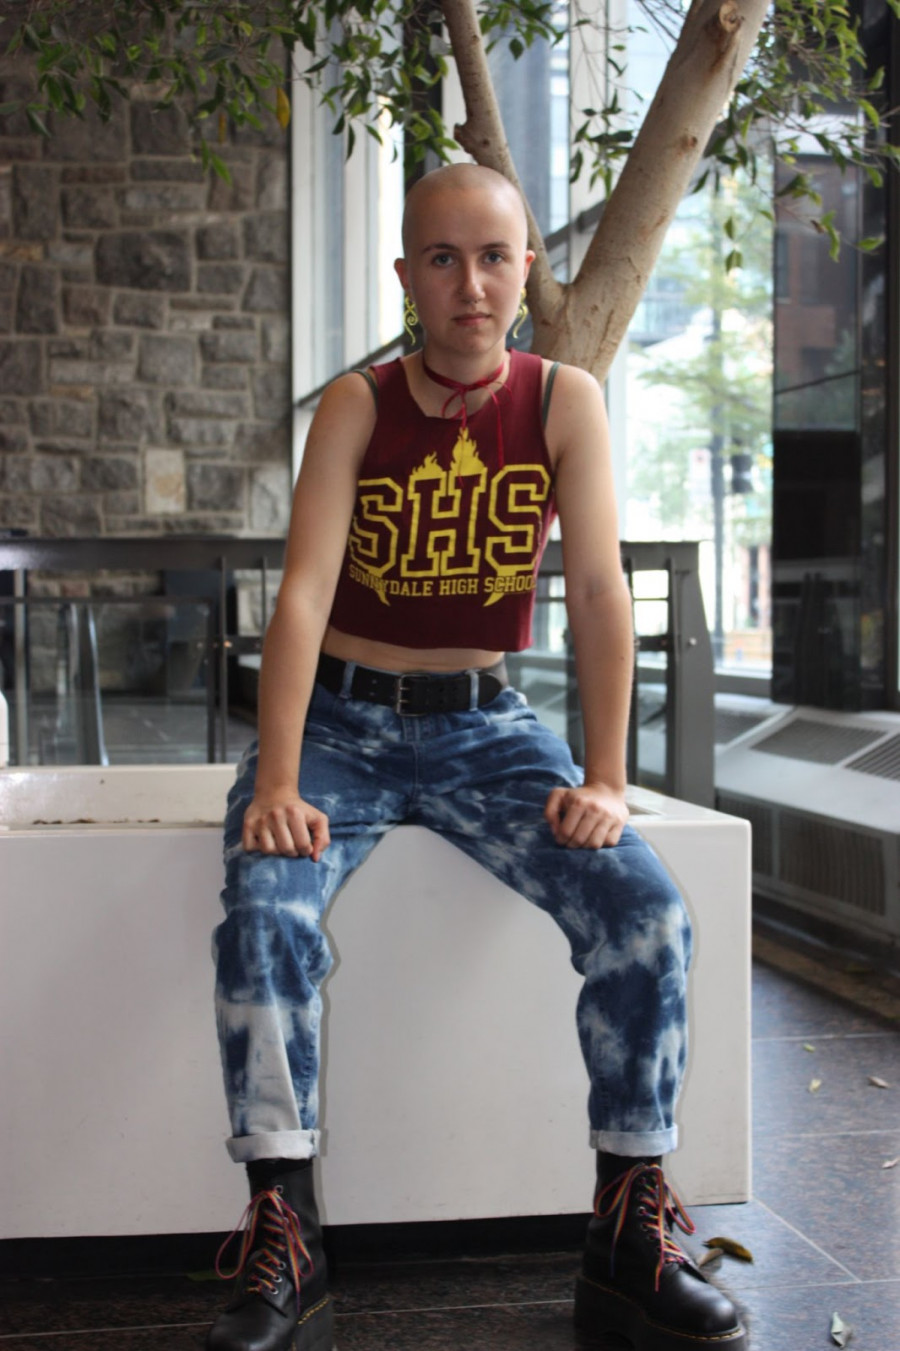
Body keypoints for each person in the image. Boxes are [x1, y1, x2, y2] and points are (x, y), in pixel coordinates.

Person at [206, 162, 747, 1351]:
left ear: (527, 268)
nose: (472, 283)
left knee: (647, 913)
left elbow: (597, 591)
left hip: (486, 729)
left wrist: (606, 777)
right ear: (407, 276)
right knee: (265, 909)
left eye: (495, 256)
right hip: (340, 724)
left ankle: (627, 1232)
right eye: (444, 259)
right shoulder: (357, 406)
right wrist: (280, 779)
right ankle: (285, 1230)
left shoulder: (563, 401)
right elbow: (301, 597)